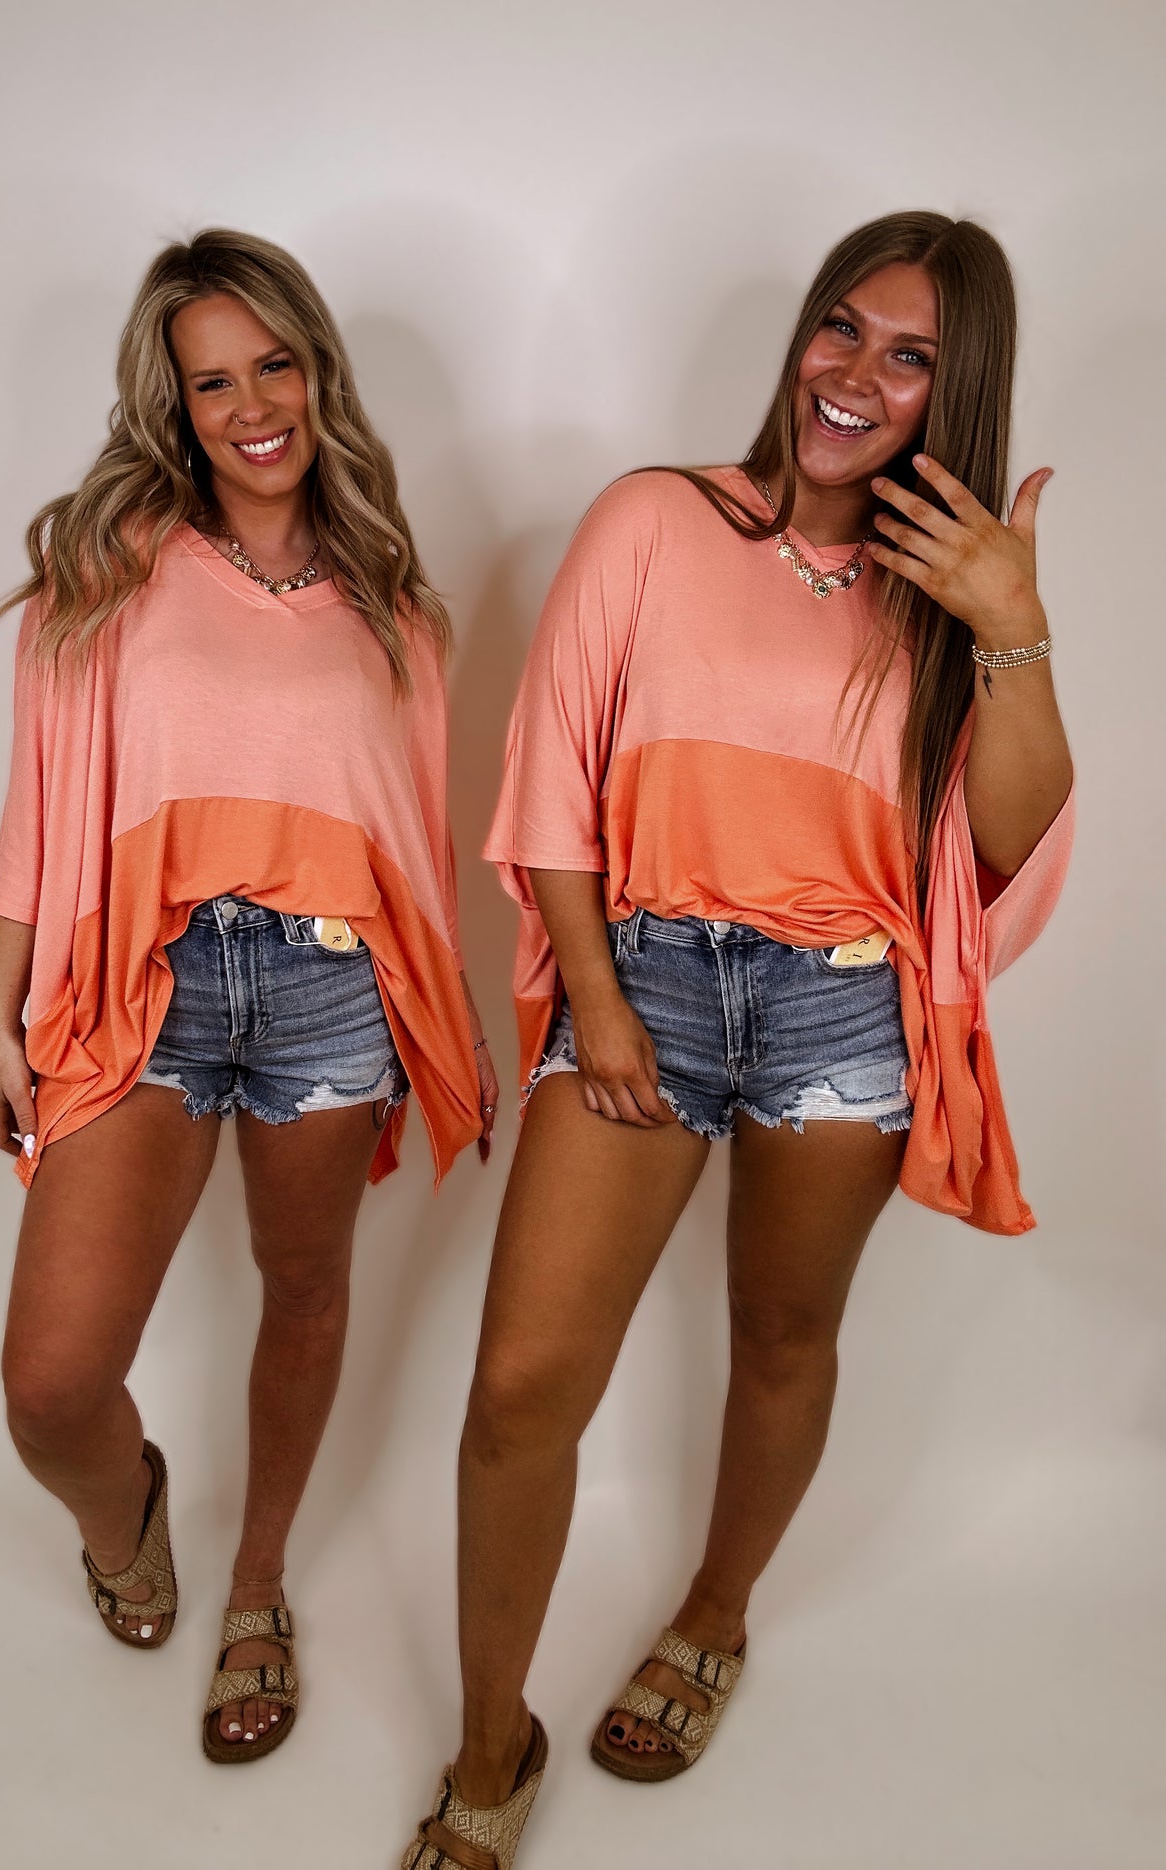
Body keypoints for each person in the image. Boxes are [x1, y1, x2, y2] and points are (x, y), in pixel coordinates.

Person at [401, 211, 1072, 1868]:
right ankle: (489, 1747)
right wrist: (596, 997)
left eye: (908, 357)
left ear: (951, 392)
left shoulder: (953, 597)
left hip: (843, 1005)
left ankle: (711, 1614)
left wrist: (1009, 624)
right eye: (840, 326)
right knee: (518, 1388)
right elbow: (551, 782)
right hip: (646, 978)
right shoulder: (654, 519)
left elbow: (1002, 846)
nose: (853, 373)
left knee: (780, 1334)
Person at [0, 228, 496, 1764]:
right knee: (51, 1380)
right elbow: (43, 806)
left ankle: (259, 1580)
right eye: (212, 382)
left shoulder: (395, 608)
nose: (252, 405)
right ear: (176, 406)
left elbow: (405, 834)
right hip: (147, 980)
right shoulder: (106, 570)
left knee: (305, 1287)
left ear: (318, 370)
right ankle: (123, 1515)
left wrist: (448, 1015)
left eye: (274, 365)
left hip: (335, 993)